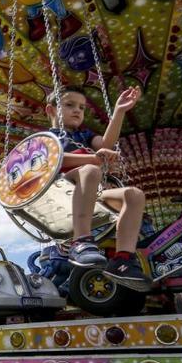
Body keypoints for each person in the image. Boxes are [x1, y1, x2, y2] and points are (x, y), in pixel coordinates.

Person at [45, 85, 150, 290]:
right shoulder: (48, 139)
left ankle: (123, 259)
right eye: (69, 105)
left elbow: (107, 143)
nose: (77, 110)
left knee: (134, 195)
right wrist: (93, 159)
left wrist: (119, 110)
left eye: (82, 108)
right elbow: (54, 159)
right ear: (51, 110)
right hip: (59, 190)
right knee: (90, 170)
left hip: (91, 192)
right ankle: (81, 242)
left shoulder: (84, 135)